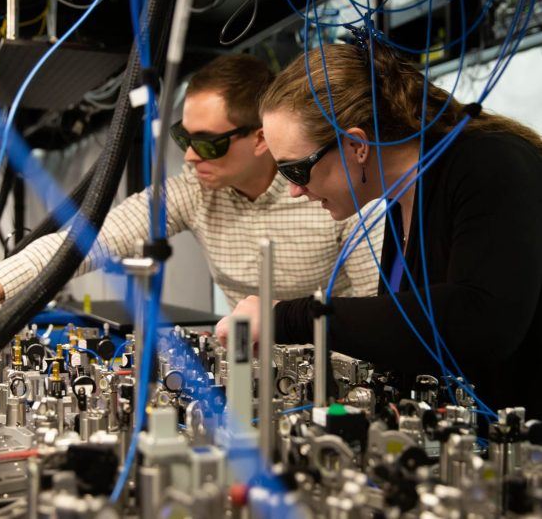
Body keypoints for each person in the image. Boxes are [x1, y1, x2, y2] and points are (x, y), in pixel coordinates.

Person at [0, 54, 384, 346]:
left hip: (332, 374)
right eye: (183, 136)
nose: (188, 155)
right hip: (248, 364)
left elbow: (377, 308)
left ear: (261, 139)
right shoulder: (195, 189)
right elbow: (92, 238)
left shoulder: (333, 191)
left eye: (207, 142)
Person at [216, 40, 542, 418]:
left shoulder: (492, 163)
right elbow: (412, 335)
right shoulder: (399, 200)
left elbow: (480, 322)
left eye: (295, 169)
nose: (293, 190)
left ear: (356, 144)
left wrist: (293, 317)